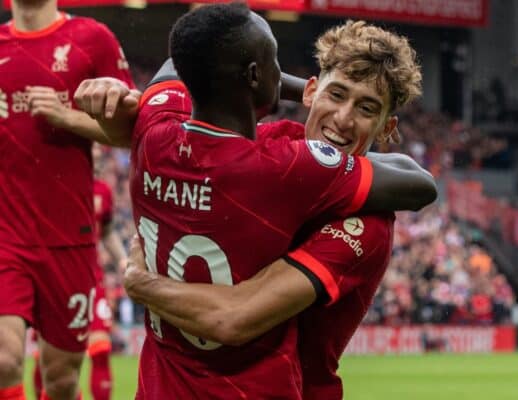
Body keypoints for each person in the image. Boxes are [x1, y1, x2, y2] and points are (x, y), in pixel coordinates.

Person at [75, 4, 435, 399]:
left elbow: (231, 318)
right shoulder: (273, 152)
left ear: (387, 127)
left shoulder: (366, 223)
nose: (343, 119)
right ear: (310, 91)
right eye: (336, 95)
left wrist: (142, 285)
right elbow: (417, 181)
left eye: (366, 108)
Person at [0, 1, 133, 399]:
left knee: (59, 381)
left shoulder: (93, 40)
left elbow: (129, 133)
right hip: (6, 235)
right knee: (4, 359)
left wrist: (66, 116)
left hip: (68, 240)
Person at [32, 144, 128, 400]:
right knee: (49, 356)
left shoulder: (104, 191)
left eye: (98, 153)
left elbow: (107, 232)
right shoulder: (52, 183)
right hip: (53, 274)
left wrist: (122, 260)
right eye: (91, 152)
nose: (96, 157)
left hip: (91, 277)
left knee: (100, 349)